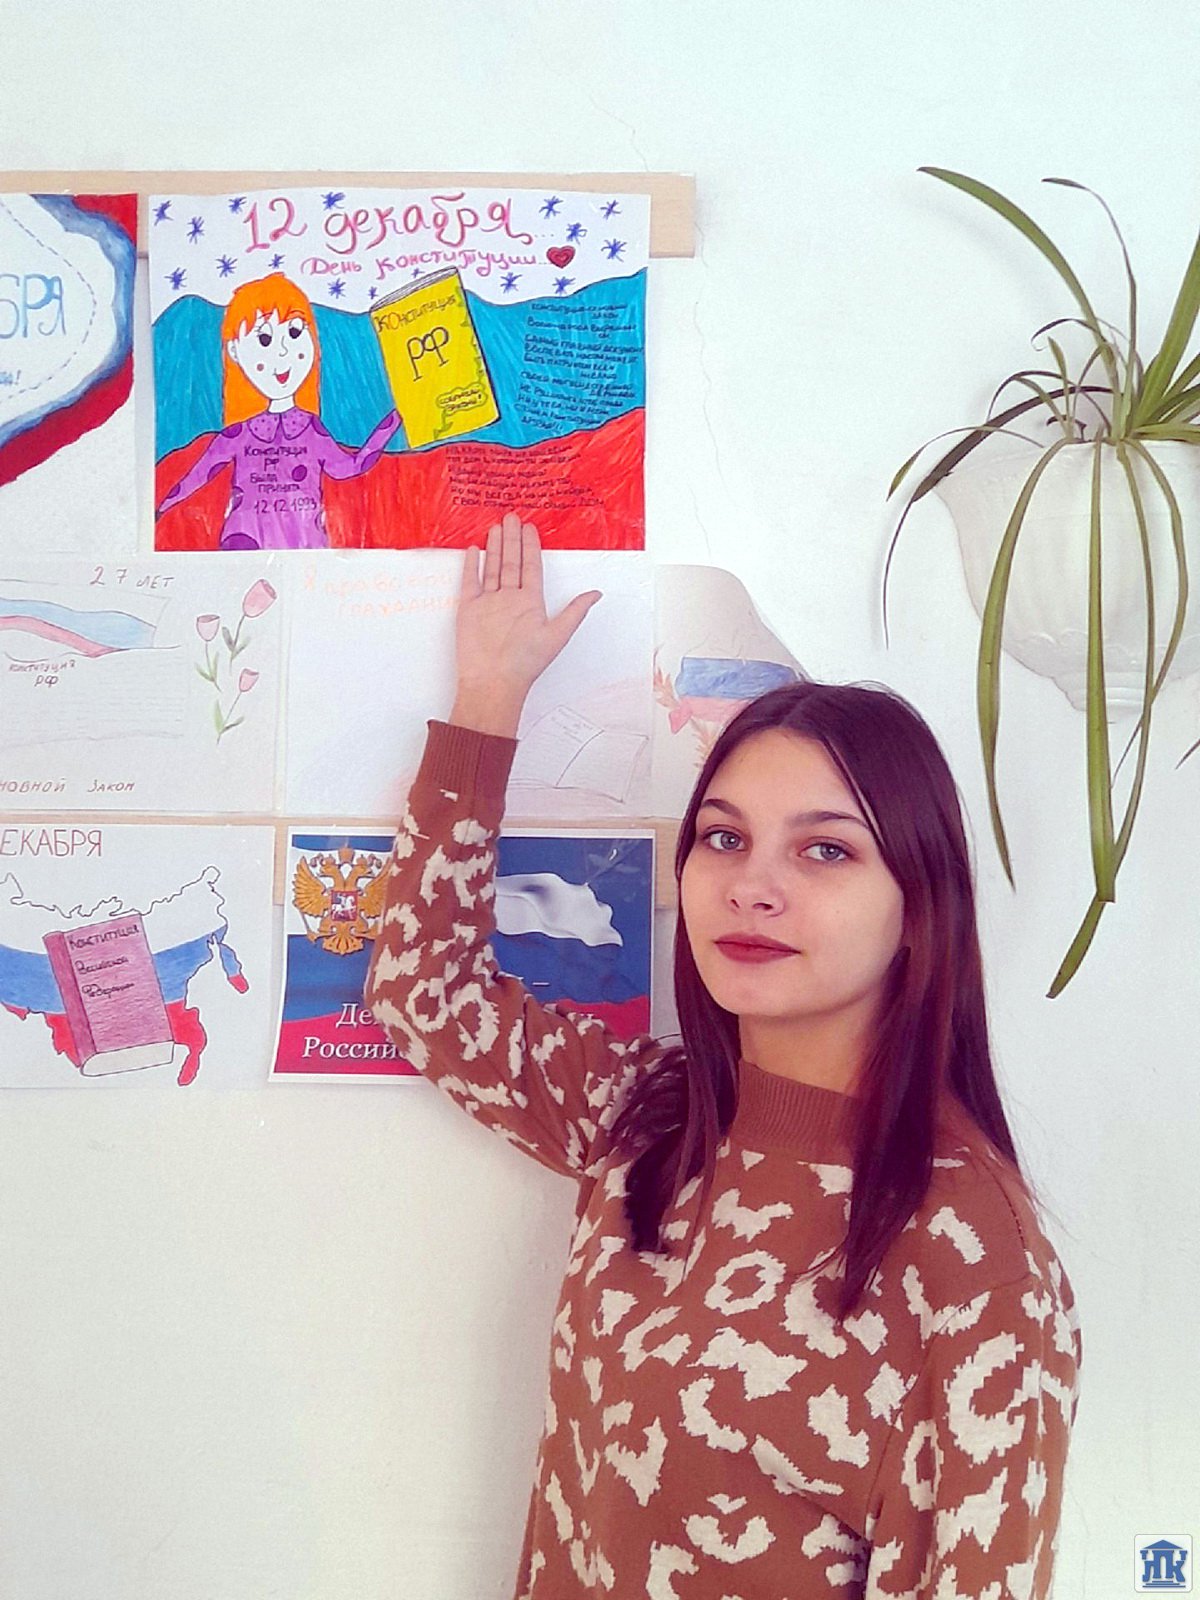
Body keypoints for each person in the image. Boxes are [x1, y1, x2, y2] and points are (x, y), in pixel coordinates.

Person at [364, 514, 1082, 1600]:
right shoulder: (647, 1116)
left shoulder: (975, 1263)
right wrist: (488, 698)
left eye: (825, 849)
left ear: (920, 905)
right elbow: (426, 992)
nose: (754, 886)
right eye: (725, 837)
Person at [156, 272, 401, 550]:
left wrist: (392, 422)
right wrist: (164, 505)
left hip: (304, 544)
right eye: (264, 339)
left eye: (295, 332)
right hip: (246, 541)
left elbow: (348, 468)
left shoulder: (311, 429)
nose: (283, 351)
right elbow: (201, 473)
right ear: (235, 351)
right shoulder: (240, 434)